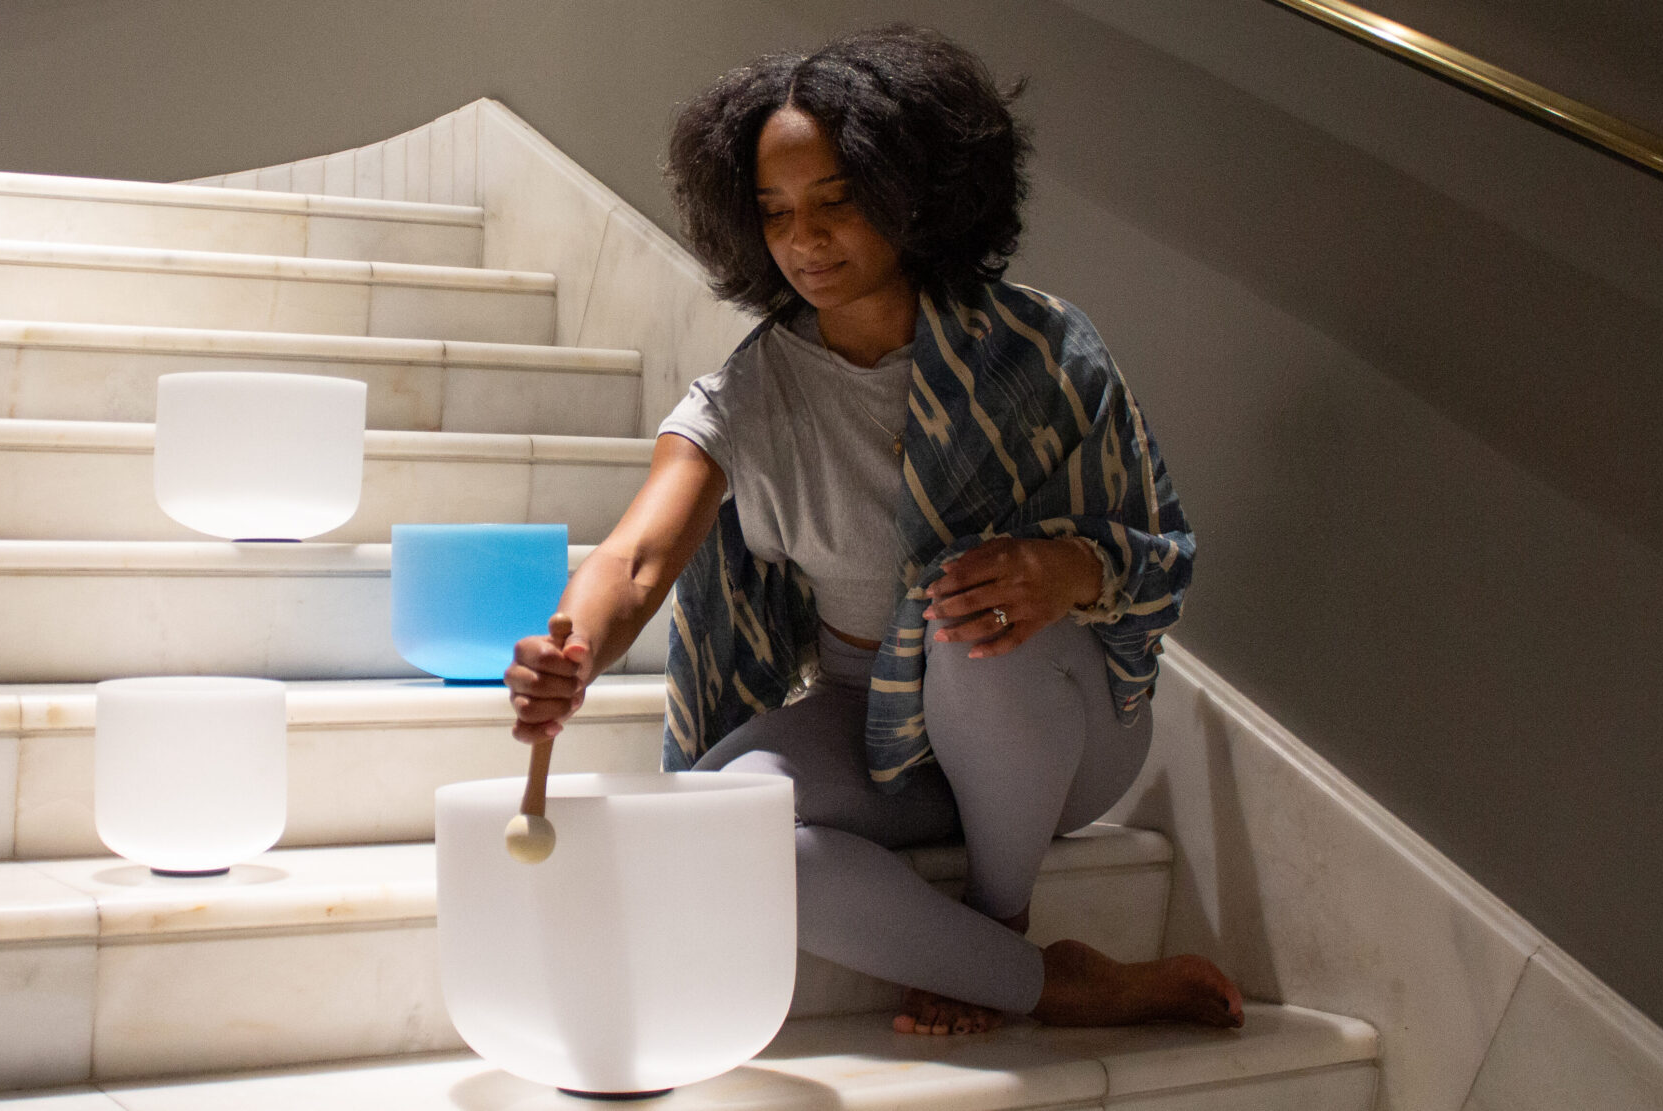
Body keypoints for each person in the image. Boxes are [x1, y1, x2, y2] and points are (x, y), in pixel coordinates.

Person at [504, 23, 1244, 1036]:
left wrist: (1063, 570)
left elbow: (1161, 554)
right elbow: (637, 556)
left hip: (1064, 727)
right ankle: (1043, 979)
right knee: (720, 825)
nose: (803, 240)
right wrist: (573, 648)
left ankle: (998, 912)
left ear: (911, 193)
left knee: (964, 607)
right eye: (773, 214)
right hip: (875, 729)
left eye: (835, 203)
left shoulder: (1043, 349)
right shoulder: (752, 394)